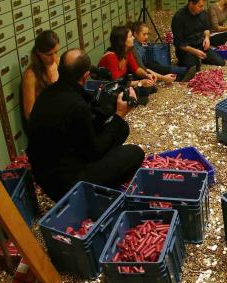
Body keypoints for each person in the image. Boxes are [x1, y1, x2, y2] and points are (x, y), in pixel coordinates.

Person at [27, 48, 144, 200]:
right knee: (135, 153)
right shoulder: (76, 106)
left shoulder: (48, 93)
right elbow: (94, 152)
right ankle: (95, 194)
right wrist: (120, 115)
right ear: (86, 76)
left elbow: (82, 126)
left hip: (45, 177)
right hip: (67, 186)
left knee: (121, 130)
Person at [171, 0, 226, 69]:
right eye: (200, 6)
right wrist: (195, 51)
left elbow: (207, 29)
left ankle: (199, 58)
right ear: (191, 4)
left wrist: (207, 38)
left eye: (203, 6)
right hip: (186, 50)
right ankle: (193, 59)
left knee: (221, 62)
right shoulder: (179, 18)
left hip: (200, 45)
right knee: (194, 67)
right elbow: (179, 43)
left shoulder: (203, 13)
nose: (203, 8)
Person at [130, 21, 195, 82]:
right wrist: (163, 78)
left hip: (146, 68)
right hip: (141, 72)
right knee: (156, 66)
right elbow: (143, 68)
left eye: (147, 34)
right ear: (135, 34)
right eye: (144, 34)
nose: (146, 37)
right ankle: (184, 71)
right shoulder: (134, 47)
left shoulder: (138, 44)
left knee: (156, 64)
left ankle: (179, 75)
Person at [21, 30, 60, 123]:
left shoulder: (56, 61)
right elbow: (29, 115)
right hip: (45, 121)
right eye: (49, 54)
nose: (54, 58)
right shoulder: (30, 76)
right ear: (39, 52)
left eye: (56, 52)